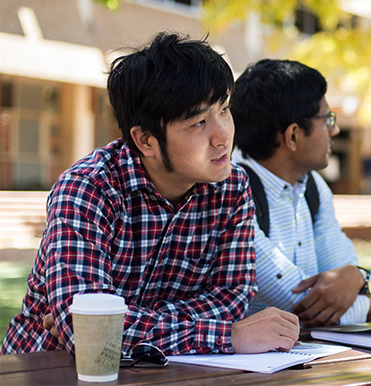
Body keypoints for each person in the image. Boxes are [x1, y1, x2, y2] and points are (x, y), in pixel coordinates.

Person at [1, 33, 299, 356]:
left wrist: (119, 323)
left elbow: (232, 298)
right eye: (199, 122)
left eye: (224, 110)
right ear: (145, 141)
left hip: (168, 373)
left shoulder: (231, 187)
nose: (223, 136)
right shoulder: (89, 189)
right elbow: (87, 334)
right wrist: (226, 336)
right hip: (48, 370)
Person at [230, 59, 371, 327]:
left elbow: (343, 282)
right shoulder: (231, 194)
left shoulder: (313, 187)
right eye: (327, 119)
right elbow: (305, 304)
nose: (334, 130)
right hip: (238, 366)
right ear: (292, 136)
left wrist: (357, 276)